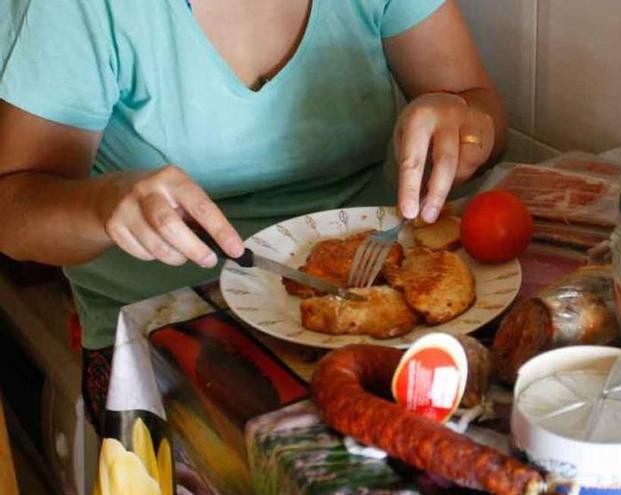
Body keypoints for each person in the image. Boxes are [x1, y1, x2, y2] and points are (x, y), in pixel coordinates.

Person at [0, 0, 506, 428]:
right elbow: (13, 207)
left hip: (371, 306)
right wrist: (103, 204)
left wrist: (462, 123)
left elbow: (483, 113)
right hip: (170, 333)